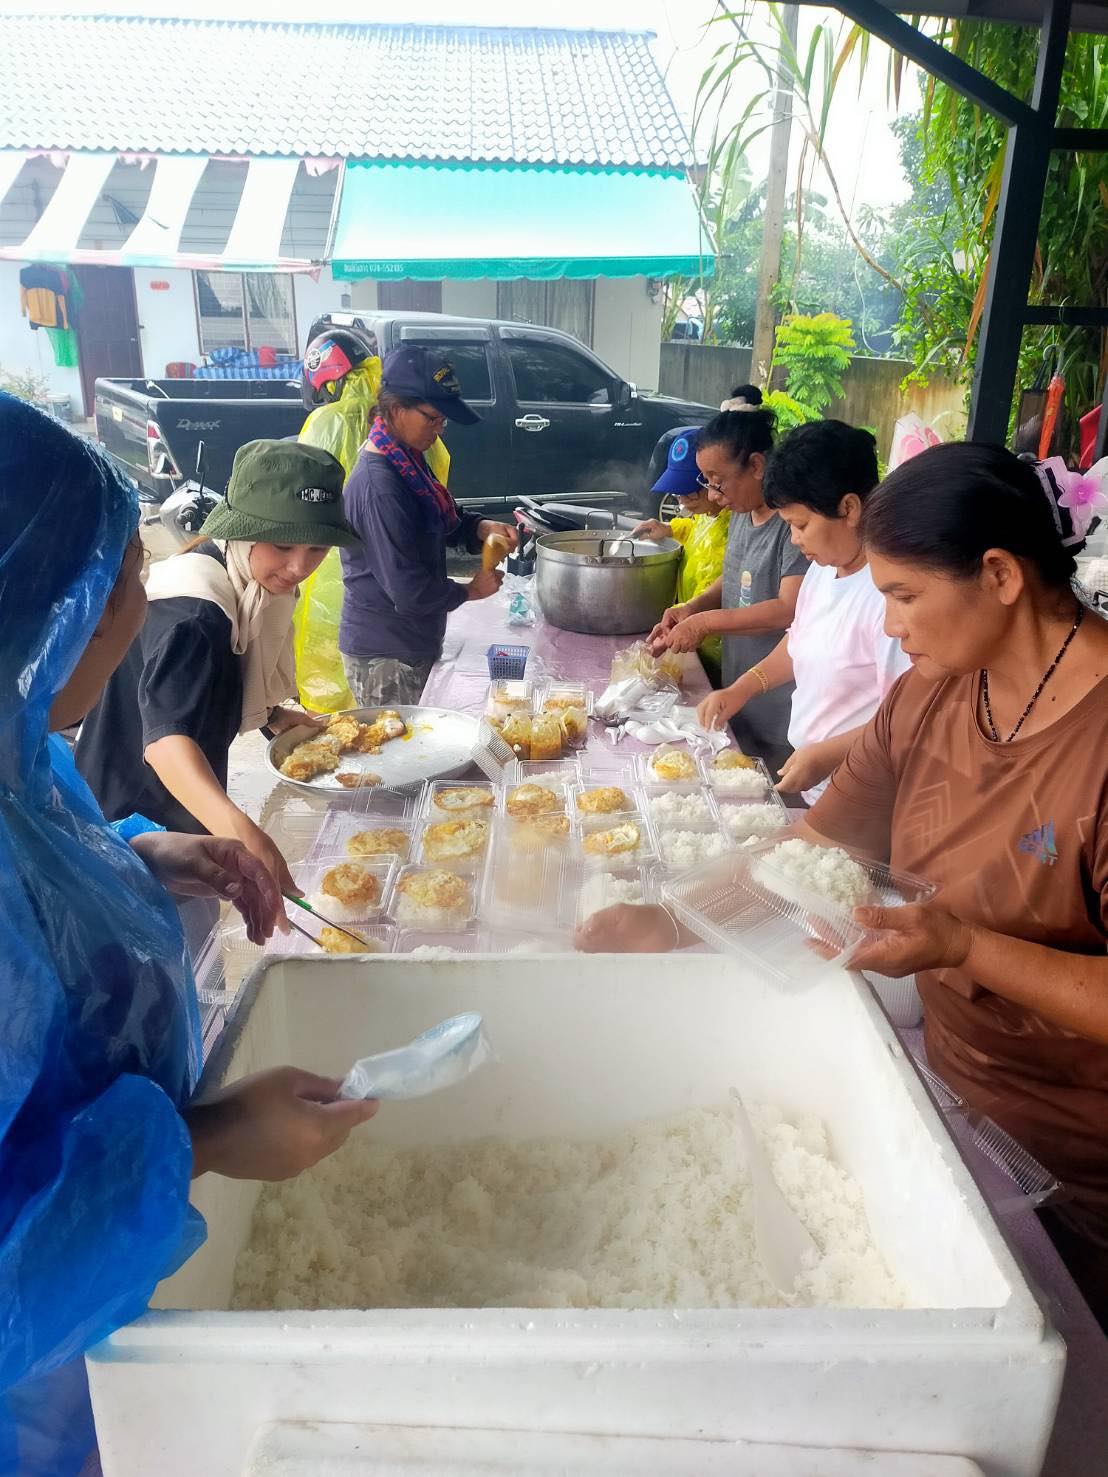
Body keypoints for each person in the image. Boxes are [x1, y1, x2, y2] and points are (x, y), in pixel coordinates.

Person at [582, 440, 1108, 1328]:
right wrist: (670, 921)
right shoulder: (934, 695)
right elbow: (813, 844)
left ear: (1000, 575)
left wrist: (965, 947)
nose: (890, 626)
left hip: (1080, 1173)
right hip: (948, 1103)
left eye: (905, 596)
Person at [0, 394, 378, 1476]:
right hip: (43, 1387)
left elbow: (48, 875)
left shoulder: (24, 750)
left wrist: (134, 854)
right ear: (46, 610)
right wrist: (208, 1139)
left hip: (125, 1285)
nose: (135, 607)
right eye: (120, 578)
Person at [77, 439, 358, 898]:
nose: (299, 567)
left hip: (183, 809)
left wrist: (273, 715)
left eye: (317, 549)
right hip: (134, 820)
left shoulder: (236, 576)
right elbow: (165, 745)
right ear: (242, 532)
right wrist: (243, 831)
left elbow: (217, 680)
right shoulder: (194, 616)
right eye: (283, 545)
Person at [697, 420, 910, 798]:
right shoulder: (823, 570)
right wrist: (741, 689)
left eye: (800, 525)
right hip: (816, 783)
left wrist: (829, 754)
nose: (795, 539)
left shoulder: (889, 597)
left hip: (861, 793)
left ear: (849, 508)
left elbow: (907, 717)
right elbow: (798, 644)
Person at [339, 346, 517, 706]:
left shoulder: (405, 459)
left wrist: (479, 528)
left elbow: (437, 516)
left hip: (412, 641)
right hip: (387, 653)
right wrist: (470, 591)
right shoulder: (380, 487)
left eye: (442, 421)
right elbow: (409, 592)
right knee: (400, 742)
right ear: (396, 410)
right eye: (432, 418)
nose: (438, 431)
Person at [649, 406, 809, 775]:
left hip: (777, 706)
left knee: (770, 790)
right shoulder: (740, 511)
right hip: (737, 690)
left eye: (718, 481)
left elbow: (788, 608)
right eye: (706, 481)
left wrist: (706, 623)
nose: (714, 495)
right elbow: (734, 576)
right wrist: (693, 608)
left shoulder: (794, 526)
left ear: (756, 466)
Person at [632, 426, 730, 682]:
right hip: (689, 626)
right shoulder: (707, 514)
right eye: (676, 491)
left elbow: (714, 586)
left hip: (712, 643)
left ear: (713, 481)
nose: (682, 499)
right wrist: (669, 529)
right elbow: (697, 531)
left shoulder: (731, 526)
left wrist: (682, 618)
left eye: (689, 490)